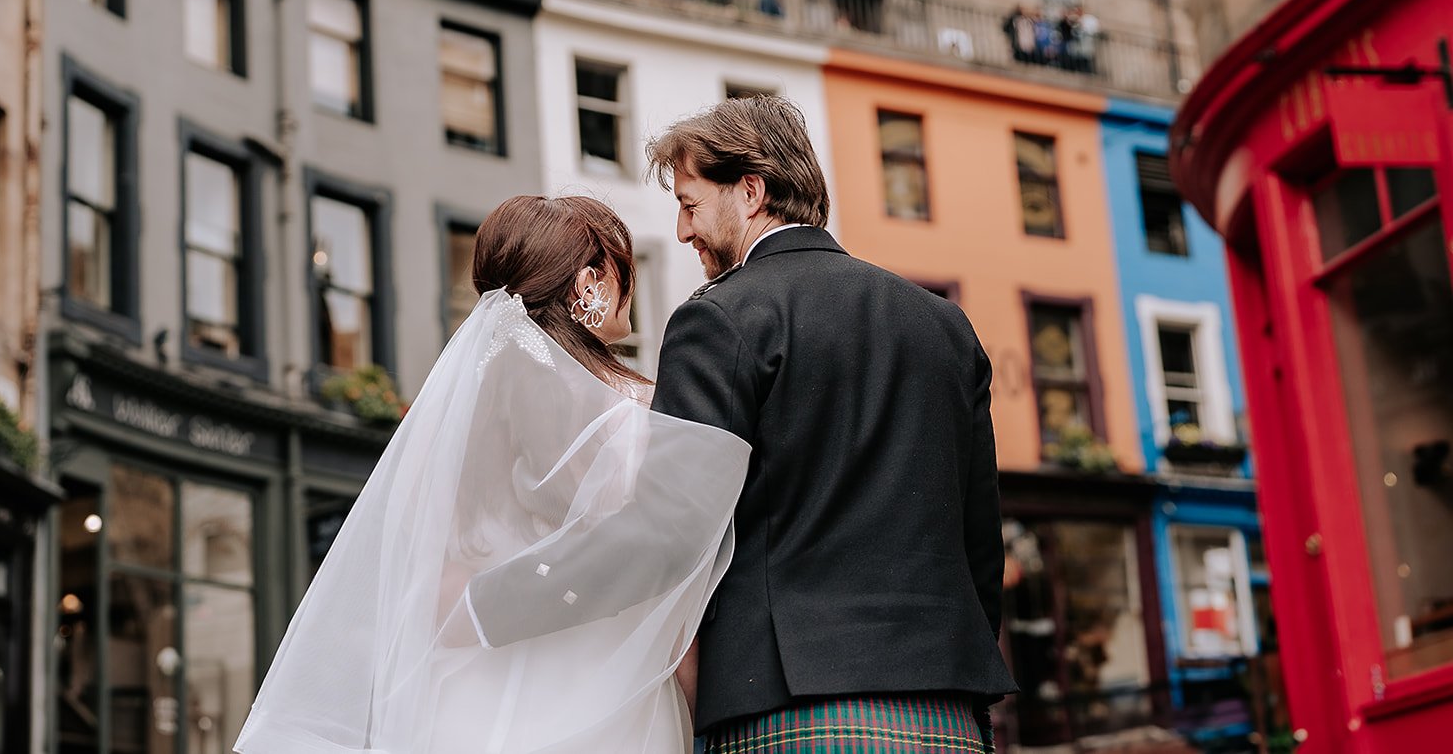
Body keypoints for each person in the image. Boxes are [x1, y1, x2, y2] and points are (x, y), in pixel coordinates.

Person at [235, 196, 747, 754]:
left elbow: (431, 586)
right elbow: (668, 588)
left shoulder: (453, 422)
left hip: (464, 704)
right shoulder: (644, 414)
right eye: (623, 268)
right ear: (590, 280)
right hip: (607, 708)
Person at [645, 95, 1017, 753]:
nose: (682, 230)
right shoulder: (945, 327)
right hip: (946, 713)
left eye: (690, 203)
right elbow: (980, 540)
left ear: (751, 191)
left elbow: (674, 538)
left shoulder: (719, 319)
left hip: (786, 706)